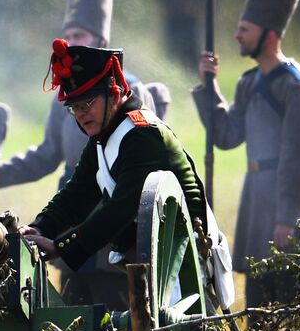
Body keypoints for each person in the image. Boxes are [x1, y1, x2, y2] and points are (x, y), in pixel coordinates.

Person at [0, 0, 160, 308]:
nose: (73, 43)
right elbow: (48, 153)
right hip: (74, 209)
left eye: (82, 35)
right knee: (73, 310)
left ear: (101, 42)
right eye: (69, 34)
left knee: (112, 306)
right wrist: (1, 173)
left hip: (114, 207)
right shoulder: (64, 96)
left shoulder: (129, 90)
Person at [19, 39, 208, 310]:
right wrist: (40, 227)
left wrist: (60, 246)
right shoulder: (104, 137)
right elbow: (78, 193)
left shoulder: (143, 136)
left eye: (88, 103)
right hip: (151, 263)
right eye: (74, 107)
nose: (81, 115)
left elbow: (120, 209)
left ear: (115, 92)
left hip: (181, 266)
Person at [192, 0, 300, 309]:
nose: (237, 36)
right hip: (257, 198)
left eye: (245, 29)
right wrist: (208, 87)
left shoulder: (299, 87)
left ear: (269, 34)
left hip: (291, 202)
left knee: (297, 305)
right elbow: (227, 136)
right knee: (259, 303)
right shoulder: (248, 83)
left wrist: (286, 218)